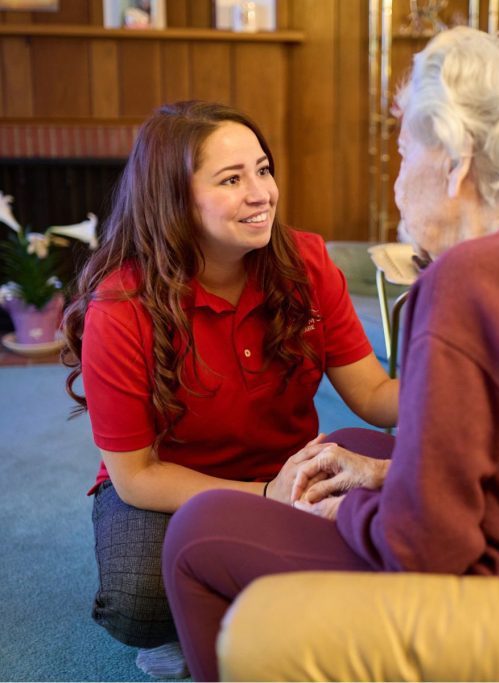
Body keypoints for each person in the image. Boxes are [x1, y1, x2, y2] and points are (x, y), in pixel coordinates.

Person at [161, 27, 499, 681]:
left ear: (457, 160)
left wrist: (347, 509)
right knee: (350, 443)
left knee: (196, 534)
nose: (400, 178)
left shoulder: (470, 280)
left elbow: (424, 548)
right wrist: (382, 476)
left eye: (406, 153)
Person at [60, 101, 398, 679]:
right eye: (232, 179)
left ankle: (246, 594)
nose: (261, 192)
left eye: (263, 170)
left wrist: (455, 377)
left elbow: (371, 394)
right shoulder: (120, 305)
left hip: (287, 467)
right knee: (138, 605)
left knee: (398, 520)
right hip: (169, 488)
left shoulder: (308, 263)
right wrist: (266, 495)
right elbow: (136, 474)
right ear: (174, 200)